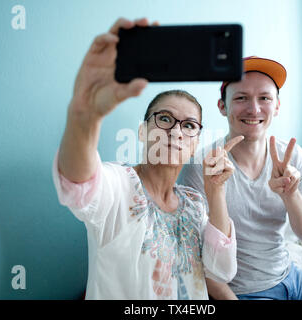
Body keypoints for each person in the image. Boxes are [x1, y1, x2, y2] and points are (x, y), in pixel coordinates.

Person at [51, 17, 244, 300]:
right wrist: (84, 113)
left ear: (195, 144)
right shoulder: (119, 186)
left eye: (189, 125)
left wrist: (215, 191)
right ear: (143, 132)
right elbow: (77, 183)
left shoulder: (194, 204)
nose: (176, 131)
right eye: (164, 118)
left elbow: (221, 272)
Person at [179, 56, 302, 300]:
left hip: (292, 277)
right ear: (222, 106)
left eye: (264, 98)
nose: (254, 109)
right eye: (241, 98)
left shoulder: (293, 157)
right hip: (243, 292)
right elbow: (194, 260)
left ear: (277, 106)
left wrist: (291, 195)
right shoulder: (201, 168)